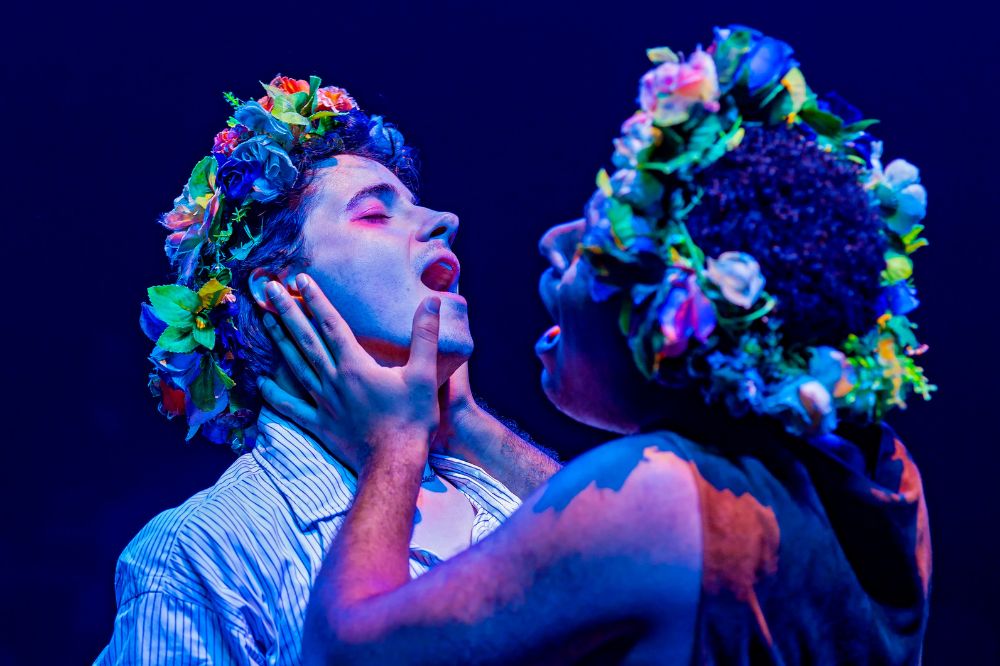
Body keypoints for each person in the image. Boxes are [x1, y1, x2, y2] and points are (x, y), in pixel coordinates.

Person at [285, 27, 933, 663]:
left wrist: (396, 439)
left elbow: (343, 651)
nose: (555, 244)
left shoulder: (655, 504)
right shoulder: (881, 479)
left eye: (602, 240)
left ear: (677, 323)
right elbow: (622, 544)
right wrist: (464, 424)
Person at [97, 76, 560, 665]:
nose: (444, 219)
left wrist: (464, 422)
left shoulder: (500, 493)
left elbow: (668, 581)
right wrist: (394, 446)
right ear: (283, 292)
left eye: (419, 206)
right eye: (373, 214)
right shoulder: (210, 550)